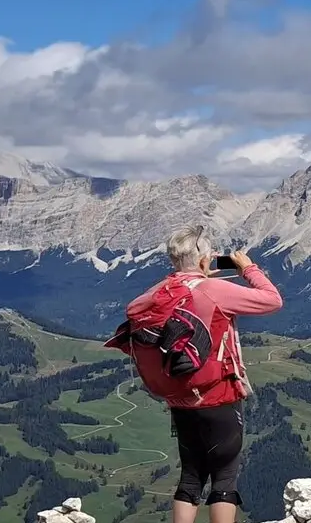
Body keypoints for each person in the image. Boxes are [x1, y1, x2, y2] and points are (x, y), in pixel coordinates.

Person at [120, 224, 283, 523]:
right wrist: (249, 268)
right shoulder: (213, 289)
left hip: (179, 396)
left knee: (191, 476)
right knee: (224, 478)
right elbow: (272, 300)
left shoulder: (158, 293)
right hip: (217, 394)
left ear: (173, 260)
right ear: (206, 261)